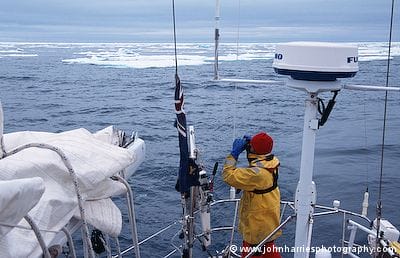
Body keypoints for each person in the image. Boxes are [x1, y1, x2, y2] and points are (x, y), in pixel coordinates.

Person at [223, 132, 282, 258]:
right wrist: (252, 147)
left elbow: (228, 175)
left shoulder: (257, 174)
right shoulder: (272, 162)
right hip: (268, 219)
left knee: (253, 252)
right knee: (268, 246)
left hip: (257, 225)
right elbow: (258, 160)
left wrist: (234, 155)